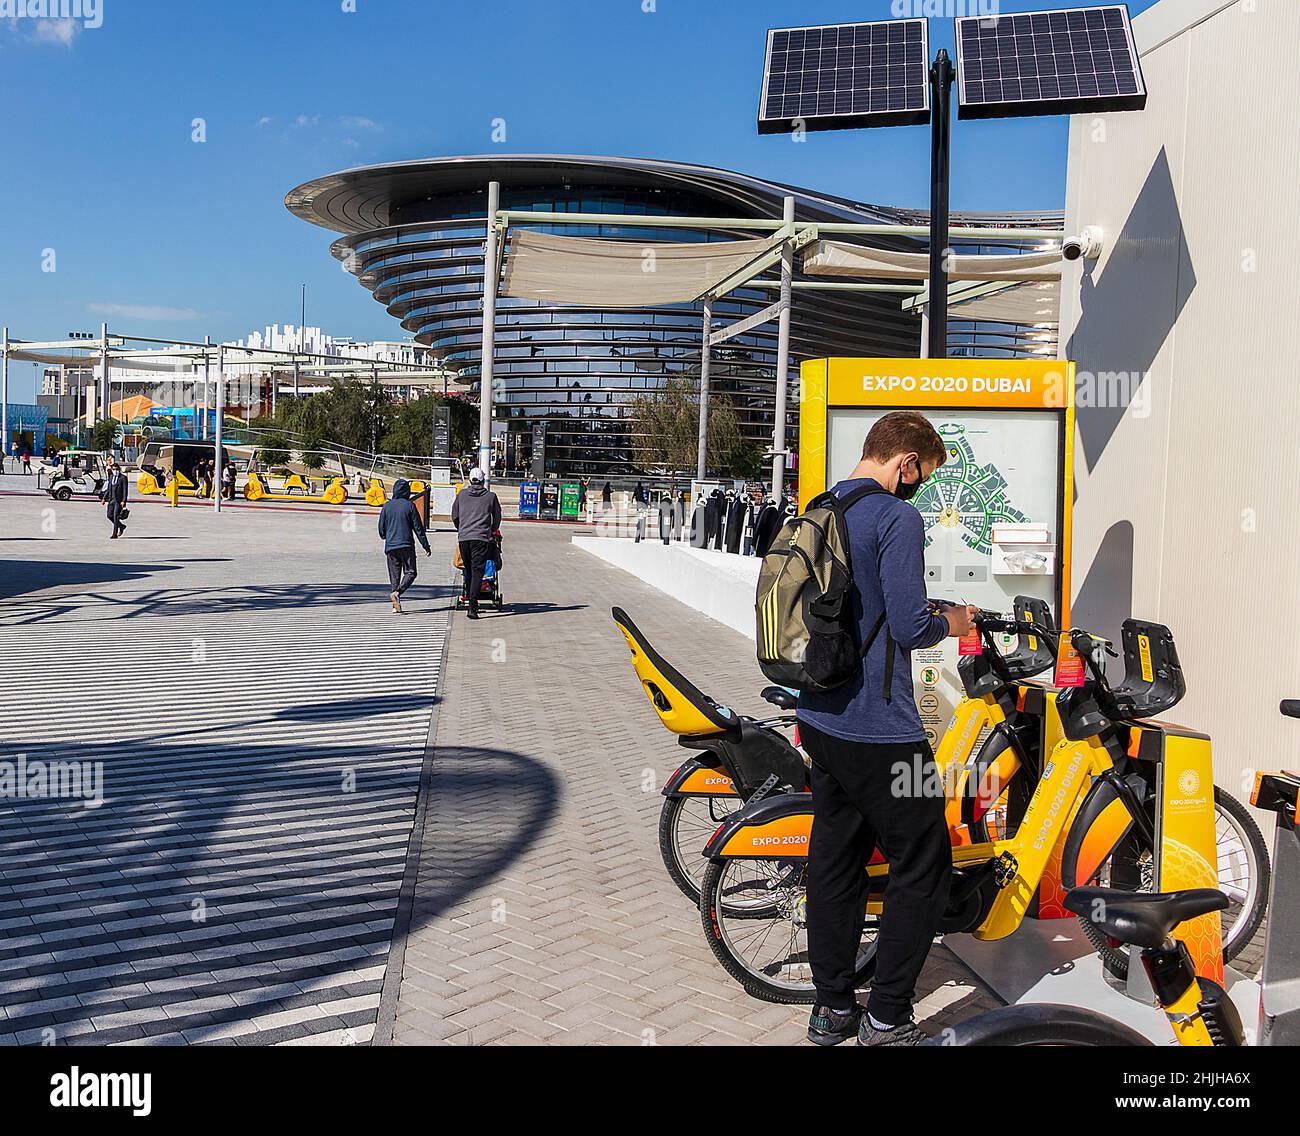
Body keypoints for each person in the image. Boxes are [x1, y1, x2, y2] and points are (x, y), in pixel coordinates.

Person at [797, 411, 978, 1048]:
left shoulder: (822, 508)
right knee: (925, 864)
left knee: (836, 862)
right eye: (922, 477)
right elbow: (907, 628)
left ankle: (833, 1009)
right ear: (905, 462)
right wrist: (952, 622)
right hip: (882, 732)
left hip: (819, 718)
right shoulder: (898, 518)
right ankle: (890, 1014)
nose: (919, 489)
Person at [451, 468, 502, 620]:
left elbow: (455, 515)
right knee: (478, 571)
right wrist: (491, 530)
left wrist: (461, 528)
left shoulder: (462, 495)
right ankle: (473, 606)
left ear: (470, 479)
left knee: (468, 569)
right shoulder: (491, 497)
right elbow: (497, 517)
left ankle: (468, 596)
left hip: (464, 538)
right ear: (483, 480)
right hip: (481, 538)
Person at [376, 478, 431, 614]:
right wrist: (425, 545)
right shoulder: (410, 505)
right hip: (407, 545)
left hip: (391, 547)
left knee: (394, 576)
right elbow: (418, 528)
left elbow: (381, 529)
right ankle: (398, 593)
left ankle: (395, 605)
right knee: (411, 572)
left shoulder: (386, 506)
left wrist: (386, 536)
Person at [101, 459, 129, 539]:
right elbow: (109, 489)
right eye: (113, 469)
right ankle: (121, 526)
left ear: (119, 469)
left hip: (118, 500)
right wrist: (104, 498)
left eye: (116, 469)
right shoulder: (111, 477)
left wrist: (124, 500)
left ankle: (115, 533)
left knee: (116, 516)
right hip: (111, 499)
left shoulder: (123, 478)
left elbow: (125, 490)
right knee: (109, 515)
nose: (115, 471)